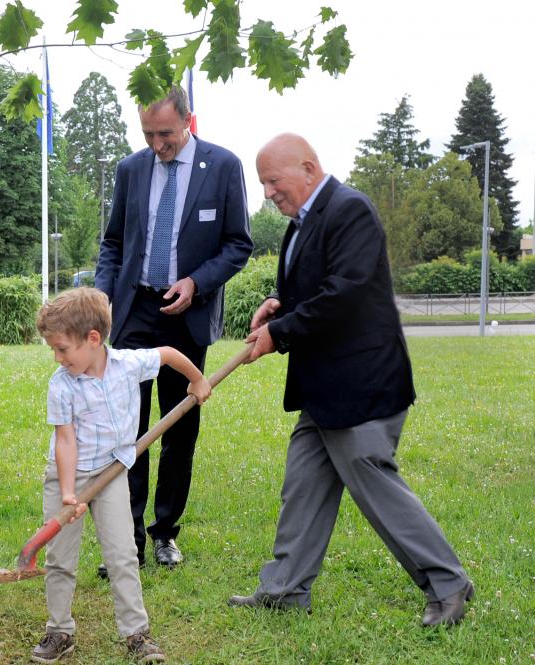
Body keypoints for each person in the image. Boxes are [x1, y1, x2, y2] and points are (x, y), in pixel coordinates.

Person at [229, 133, 473, 627]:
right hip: (322, 388)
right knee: (303, 484)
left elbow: (345, 296)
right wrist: (280, 306)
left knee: (372, 482)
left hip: (362, 385)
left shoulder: (350, 210)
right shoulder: (302, 222)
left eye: (274, 182)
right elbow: (316, 289)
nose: (269, 193)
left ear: (309, 169)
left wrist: (281, 332)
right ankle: (285, 589)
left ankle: (449, 584)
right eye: (263, 185)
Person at [95, 86, 252, 573]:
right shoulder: (131, 169)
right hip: (135, 312)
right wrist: (103, 297)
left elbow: (237, 243)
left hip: (188, 313)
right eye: (147, 133)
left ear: (188, 121)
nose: (156, 144)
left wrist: (196, 283)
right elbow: (113, 243)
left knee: (179, 427)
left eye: (164, 134)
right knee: (129, 429)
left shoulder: (223, 167)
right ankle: (130, 542)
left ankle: (165, 534)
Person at [31, 287, 212, 664]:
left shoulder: (129, 364)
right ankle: (59, 631)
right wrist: (68, 493)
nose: (57, 357)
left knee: (123, 555)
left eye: (62, 348)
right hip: (69, 477)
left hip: (112, 472)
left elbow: (169, 354)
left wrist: (197, 380)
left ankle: (136, 634)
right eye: (54, 350)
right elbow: (65, 442)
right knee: (61, 559)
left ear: (93, 339)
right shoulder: (60, 385)